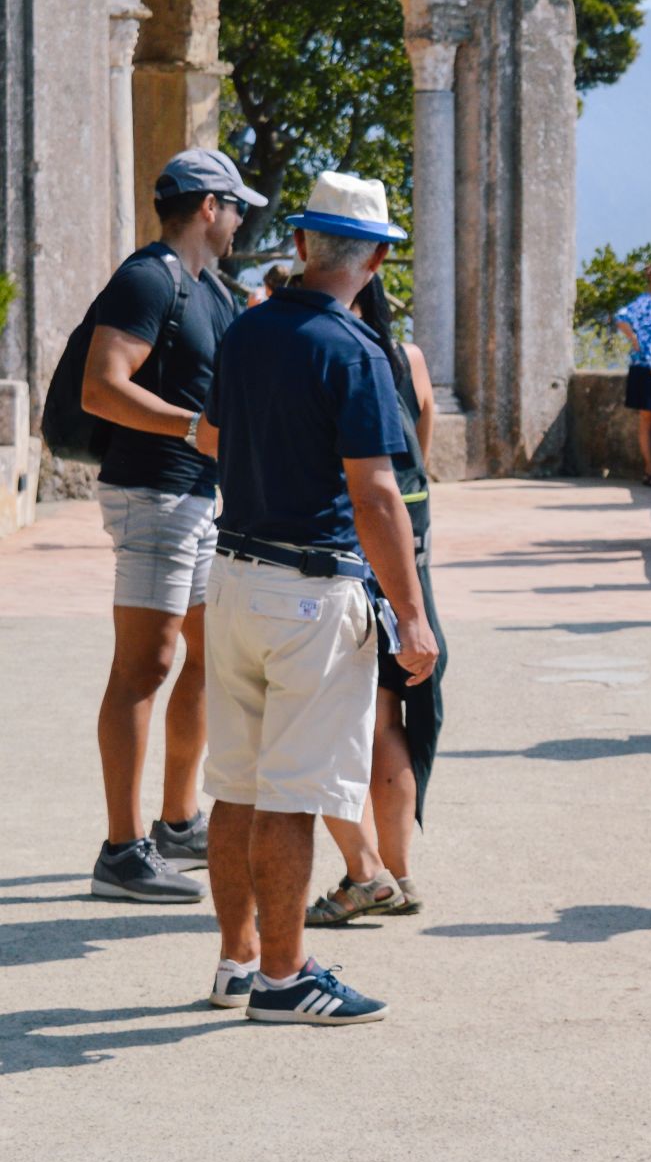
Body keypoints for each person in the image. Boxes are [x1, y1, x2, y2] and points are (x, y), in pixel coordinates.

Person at [199, 171, 437, 1023]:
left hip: (231, 574)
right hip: (310, 590)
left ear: (301, 244)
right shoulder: (357, 352)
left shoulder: (248, 331)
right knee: (295, 792)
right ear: (375, 257)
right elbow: (377, 497)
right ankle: (285, 974)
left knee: (234, 784)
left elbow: (213, 437)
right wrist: (412, 615)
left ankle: (238, 960)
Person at [81, 149, 262, 903]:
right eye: (236, 207)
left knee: (202, 654)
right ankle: (122, 852)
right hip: (154, 494)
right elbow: (101, 386)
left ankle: (177, 820)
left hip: (195, 499)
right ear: (210, 207)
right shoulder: (149, 277)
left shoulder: (207, 288)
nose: (243, 220)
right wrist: (195, 430)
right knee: (144, 665)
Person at [309, 276, 449, 927]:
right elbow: (424, 429)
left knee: (345, 722)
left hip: (356, 545)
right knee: (392, 716)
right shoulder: (406, 356)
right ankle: (400, 873)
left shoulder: (333, 351)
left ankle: (366, 875)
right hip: (411, 541)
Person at [613, 260, 651, 487]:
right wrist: (634, 339)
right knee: (649, 419)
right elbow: (621, 317)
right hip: (646, 366)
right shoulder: (643, 303)